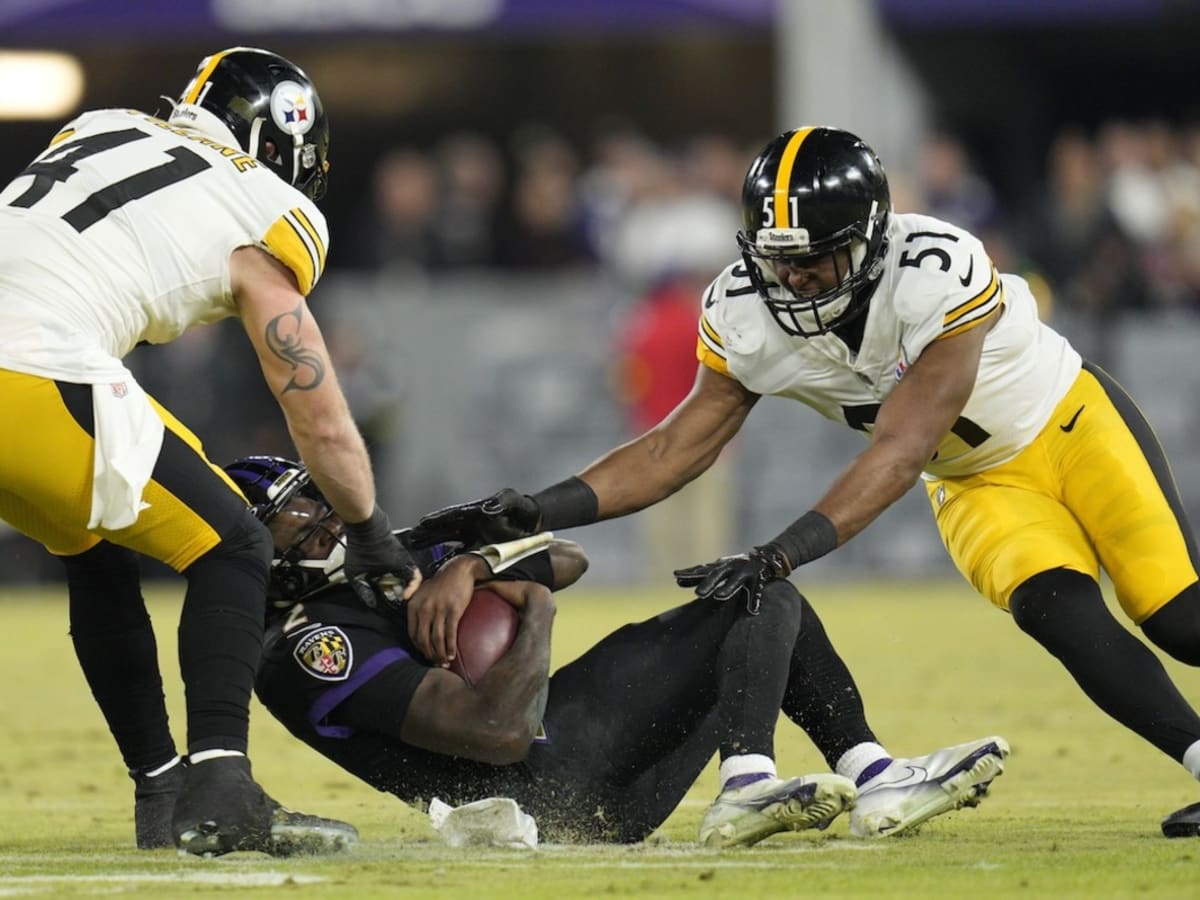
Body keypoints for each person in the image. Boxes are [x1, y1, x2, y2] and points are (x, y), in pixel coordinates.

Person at [410, 125, 1200, 838]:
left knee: (1178, 618)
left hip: (1067, 425)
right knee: (1058, 613)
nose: (794, 279)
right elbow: (673, 449)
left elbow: (898, 450)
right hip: (973, 482)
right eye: (777, 258)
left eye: (815, 257)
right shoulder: (745, 309)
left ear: (871, 239)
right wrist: (535, 508)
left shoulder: (937, 268)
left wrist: (780, 555)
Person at [0, 47, 420, 855]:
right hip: (33, 362)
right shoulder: (266, 206)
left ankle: (162, 792)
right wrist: (368, 528)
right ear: (282, 142)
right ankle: (223, 787)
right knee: (234, 542)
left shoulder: (103, 125)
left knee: (90, 541)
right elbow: (316, 409)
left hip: (36, 361)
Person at [226, 455, 1007, 847]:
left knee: (764, 598)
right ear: (257, 548)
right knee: (759, 594)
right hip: (541, 786)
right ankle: (751, 783)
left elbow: (566, 555)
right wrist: (528, 606)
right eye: (293, 515)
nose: (319, 516)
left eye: (313, 499)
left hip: (598, 799)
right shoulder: (303, 648)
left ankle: (873, 773)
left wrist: (472, 565)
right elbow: (497, 735)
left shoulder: (384, 560)